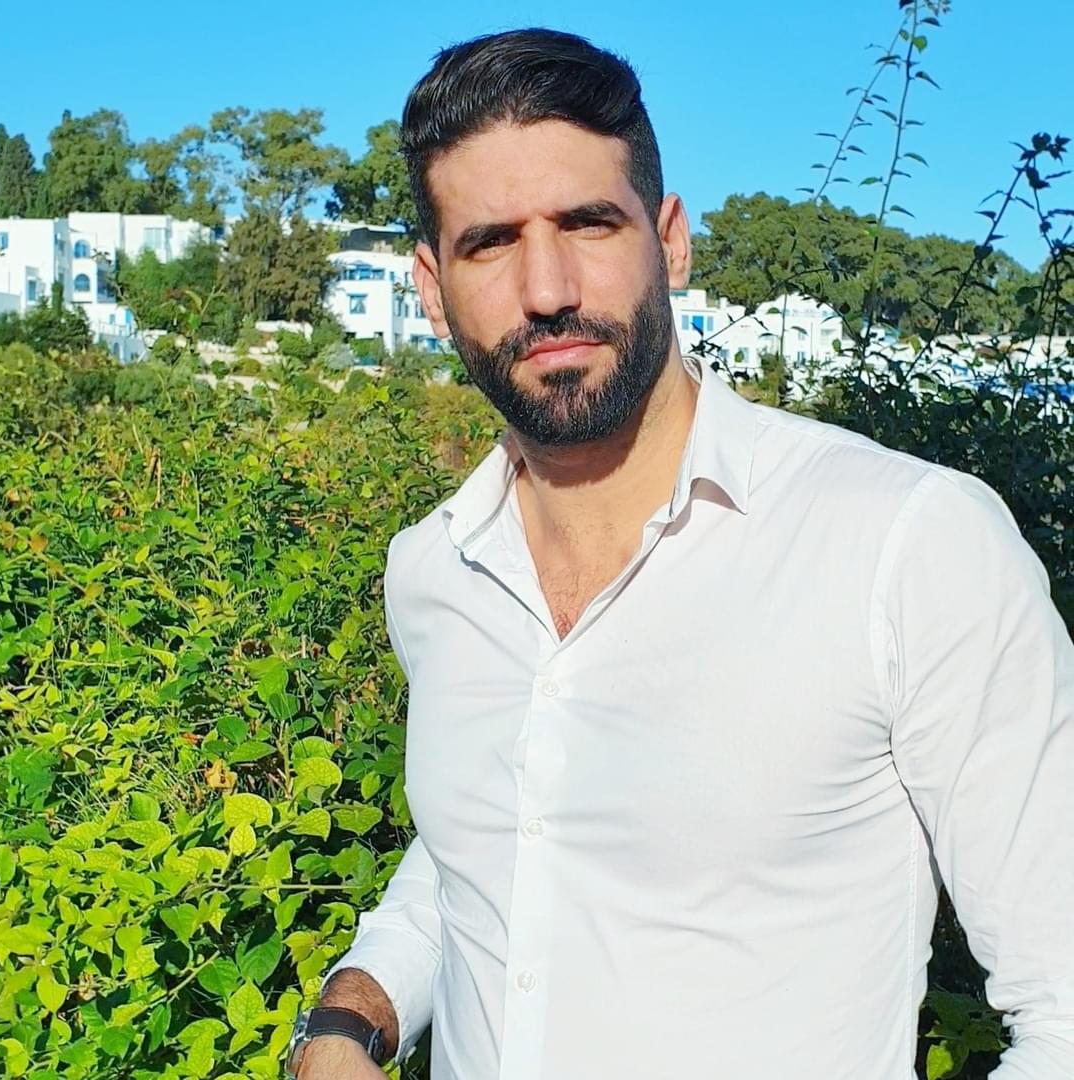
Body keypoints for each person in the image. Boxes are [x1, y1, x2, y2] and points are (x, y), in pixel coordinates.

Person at [287, 27, 1074, 1080]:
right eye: (491, 243)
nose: (548, 289)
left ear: (671, 240)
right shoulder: (434, 569)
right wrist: (353, 1012)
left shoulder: (905, 546)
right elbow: (496, 838)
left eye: (588, 223)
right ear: (432, 288)